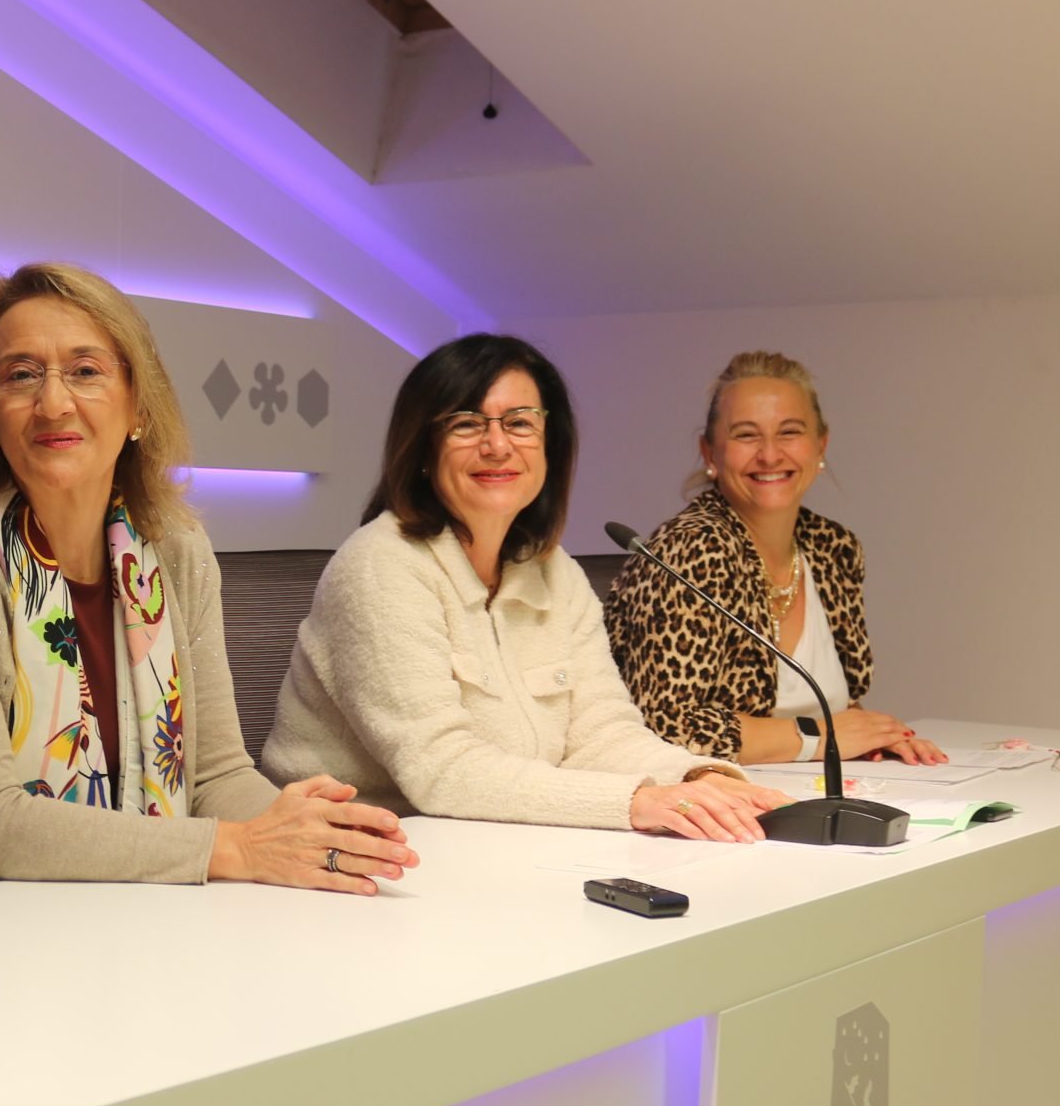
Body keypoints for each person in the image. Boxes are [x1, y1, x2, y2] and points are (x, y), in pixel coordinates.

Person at [0, 262, 416, 894]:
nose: (54, 402)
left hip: (129, 917)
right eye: (20, 376)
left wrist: (313, 833)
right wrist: (236, 847)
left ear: (138, 406)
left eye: (86, 372)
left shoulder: (176, 550)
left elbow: (214, 776)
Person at [261, 334, 786, 842]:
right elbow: (441, 770)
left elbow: (601, 734)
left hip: (494, 842)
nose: (497, 445)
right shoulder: (381, 565)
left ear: (548, 447)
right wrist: (635, 803)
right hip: (351, 855)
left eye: (519, 423)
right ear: (422, 447)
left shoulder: (556, 571)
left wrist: (697, 779)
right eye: (466, 424)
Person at [603, 351, 944, 766]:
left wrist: (878, 736)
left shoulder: (834, 548)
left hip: (809, 793)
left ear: (821, 445)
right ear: (710, 453)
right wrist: (821, 736)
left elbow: (841, 709)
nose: (769, 455)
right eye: (746, 435)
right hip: (712, 806)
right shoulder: (689, 550)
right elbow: (665, 727)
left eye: (789, 432)